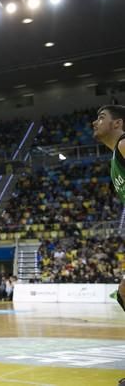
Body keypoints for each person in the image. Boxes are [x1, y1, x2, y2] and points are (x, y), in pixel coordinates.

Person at [93, 105, 125, 313]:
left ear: (117, 123)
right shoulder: (116, 155)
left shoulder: (124, 144)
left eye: (101, 117)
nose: (94, 122)